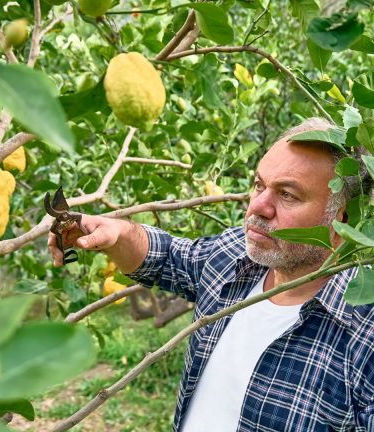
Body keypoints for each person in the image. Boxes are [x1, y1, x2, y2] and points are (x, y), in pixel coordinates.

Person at [49, 117, 374, 431]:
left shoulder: (363, 337)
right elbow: (167, 258)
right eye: (259, 185)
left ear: (340, 222)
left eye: (287, 194)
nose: (258, 207)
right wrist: (118, 234)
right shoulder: (235, 256)